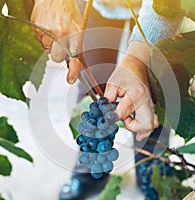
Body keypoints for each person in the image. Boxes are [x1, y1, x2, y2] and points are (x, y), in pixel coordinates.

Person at [31, 0, 182, 199]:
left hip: (158, 7)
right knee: (93, 82)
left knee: (153, 84)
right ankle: (92, 168)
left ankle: (152, 170)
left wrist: (138, 60)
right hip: (99, 4)